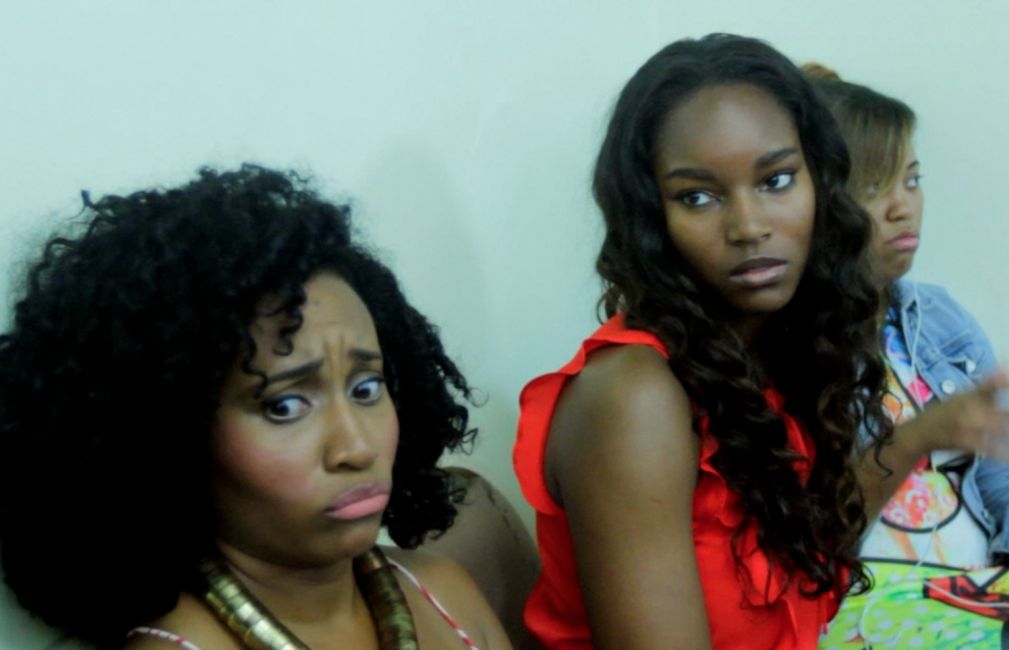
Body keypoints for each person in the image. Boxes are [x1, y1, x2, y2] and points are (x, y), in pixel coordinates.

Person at [0, 165, 511, 650]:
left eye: (366, 389)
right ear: (171, 437)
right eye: (285, 406)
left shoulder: (446, 594)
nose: (356, 447)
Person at [513, 34, 893, 649]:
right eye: (698, 197)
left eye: (776, 180)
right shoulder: (634, 399)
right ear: (651, 217)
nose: (749, 226)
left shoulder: (770, 358)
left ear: (820, 183)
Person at [807, 66, 1009, 648]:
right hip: (855, 619)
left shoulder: (940, 319)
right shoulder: (790, 347)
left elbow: (1001, 482)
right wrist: (920, 434)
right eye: (875, 187)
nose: (904, 207)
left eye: (913, 180)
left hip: (975, 608)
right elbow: (812, 541)